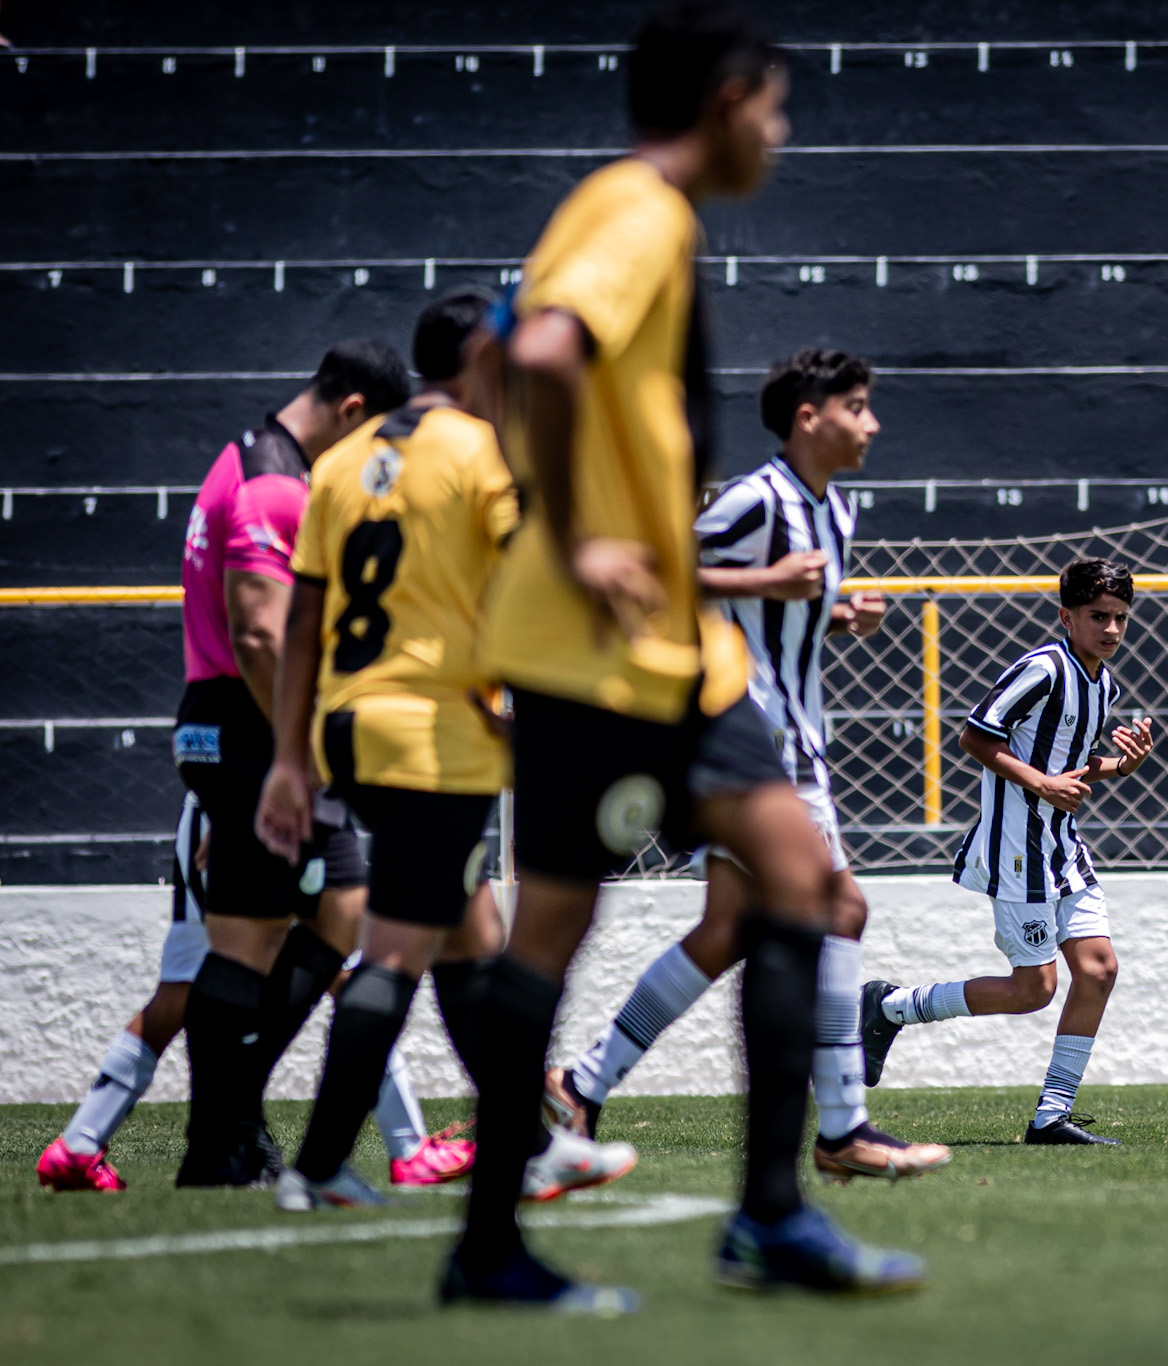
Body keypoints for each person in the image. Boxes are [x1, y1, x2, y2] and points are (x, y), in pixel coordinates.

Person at [447, 3, 922, 1309]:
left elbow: (498, 347)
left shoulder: (617, 215)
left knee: (792, 878)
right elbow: (538, 356)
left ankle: (765, 1212)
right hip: (602, 650)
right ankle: (501, 1240)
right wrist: (581, 531)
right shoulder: (642, 210)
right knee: (563, 921)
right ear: (724, 102)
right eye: (774, 107)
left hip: (674, 656)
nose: (781, 132)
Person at [247, 293, 624, 1210]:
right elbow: (531, 589)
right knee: (396, 952)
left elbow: (303, 618)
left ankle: (531, 1143)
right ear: (483, 361)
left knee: (468, 943)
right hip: (430, 735)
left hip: (348, 725)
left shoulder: (341, 462)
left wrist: (291, 757)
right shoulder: (481, 455)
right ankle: (320, 1164)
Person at [544, 348, 950, 1185]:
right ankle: (841, 1126)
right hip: (757, 743)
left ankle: (583, 1082)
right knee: (841, 908)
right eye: (859, 406)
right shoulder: (756, 501)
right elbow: (659, 573)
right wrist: (769, 579)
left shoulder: (833, 512)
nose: (872, 424)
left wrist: (836, 618)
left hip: (797, 742)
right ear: (811, 416)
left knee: (728, 928)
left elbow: (769, 613)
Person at [171, 338, 413, 1188]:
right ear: (352, 412)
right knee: (252, 938)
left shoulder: (244, 456)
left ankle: (229, 1129)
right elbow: (261, 632)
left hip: (238, 725)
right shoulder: (277, 481)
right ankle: (220, 1140)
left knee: (322, 917)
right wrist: (295, 755)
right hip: (252, 728)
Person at [860, 559, 1155, 1145]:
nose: (1113, 629)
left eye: (1121, 618)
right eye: (1099, 616)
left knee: (1098, 971)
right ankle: (890, 1006)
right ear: (1067, 617)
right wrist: (1041, 784)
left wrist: (1125, 764)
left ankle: (1052, 1116)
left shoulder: (1103, 684)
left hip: (1061, 846)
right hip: (1015, 848)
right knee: (1033, 991)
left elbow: (1071, 762)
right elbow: (974, 734)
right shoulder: (1043, 668)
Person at [36, 795, 471, 1191]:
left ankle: (81, 1142)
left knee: (186, 987)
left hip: (235, 804)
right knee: (344, 969)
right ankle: (406, 1149)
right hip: (273, 808)